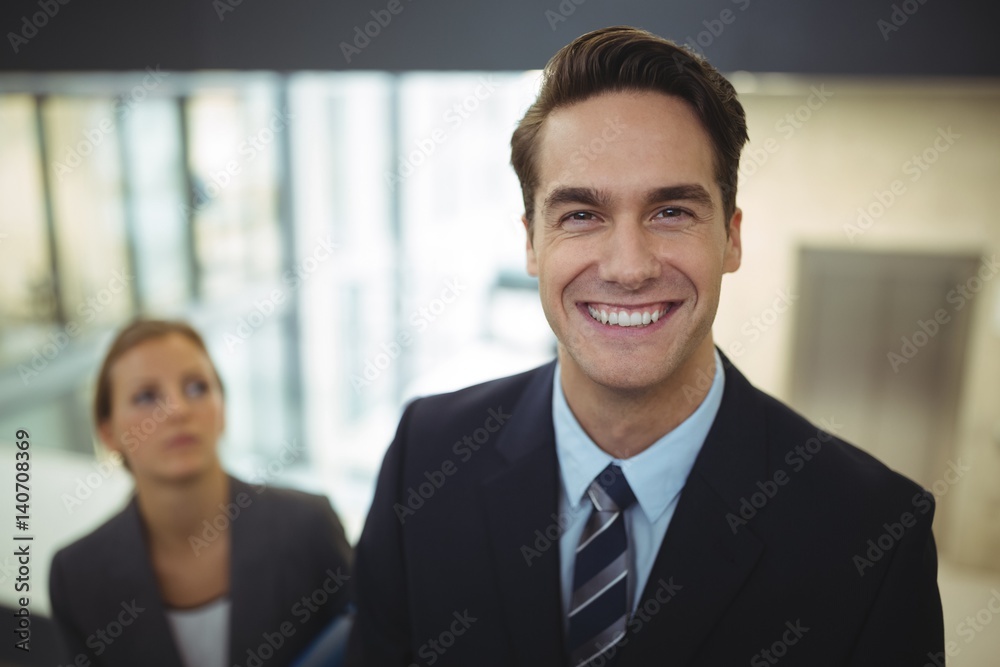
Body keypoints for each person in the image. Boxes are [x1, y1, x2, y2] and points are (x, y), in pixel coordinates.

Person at [346, 26, 944, 666]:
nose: (629, 268)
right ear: (531, 243)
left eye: (671, 212)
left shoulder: (872, 530)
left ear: (731, 238)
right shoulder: (426, 455)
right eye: (581, 215)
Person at [49, 319, 352, 667]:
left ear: (222, 410)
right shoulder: (77, 575)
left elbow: (373, 647)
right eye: (146, 396)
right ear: (108, 433)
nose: (178, 409)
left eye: (196, 388)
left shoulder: (309, 527)